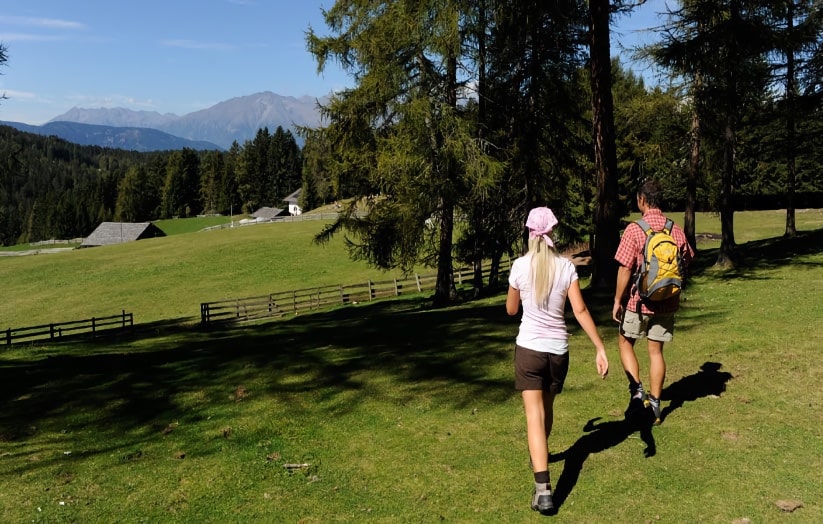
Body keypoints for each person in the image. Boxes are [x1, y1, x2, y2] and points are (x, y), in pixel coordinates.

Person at [507, 207, 609, 515]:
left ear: (529, 233)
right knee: (546, 411)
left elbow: (512, 311)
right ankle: (542, 459)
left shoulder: (520, 266)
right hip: (557, 351)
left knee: (533, 417)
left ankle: (544, 490)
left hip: (529, 350)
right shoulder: (565, 268)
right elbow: (579, 311)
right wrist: (599, 347)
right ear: (552, 233)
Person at [612, 180, 694, 425]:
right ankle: (656, 406)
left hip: (638, 302)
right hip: (666, 302)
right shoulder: (675, 229)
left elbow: (625, 269)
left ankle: (637, 390)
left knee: (625, 343)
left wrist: (618, 299)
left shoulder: (634, 229)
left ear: (642, 200)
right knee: (655, 352)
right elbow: (687, 260)